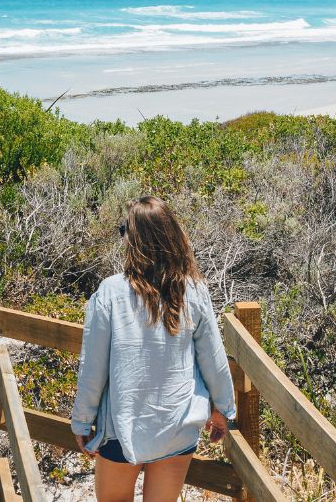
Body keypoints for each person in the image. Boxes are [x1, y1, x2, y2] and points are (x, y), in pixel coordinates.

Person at [71, 196, 237, 502]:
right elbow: (213, 359)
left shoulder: (111, 292)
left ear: (133, 239)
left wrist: (82, 420)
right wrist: (222, 409)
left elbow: (93, 368)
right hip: (178, 424)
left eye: (124, 231)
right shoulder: (193, 289)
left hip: (123, 426)